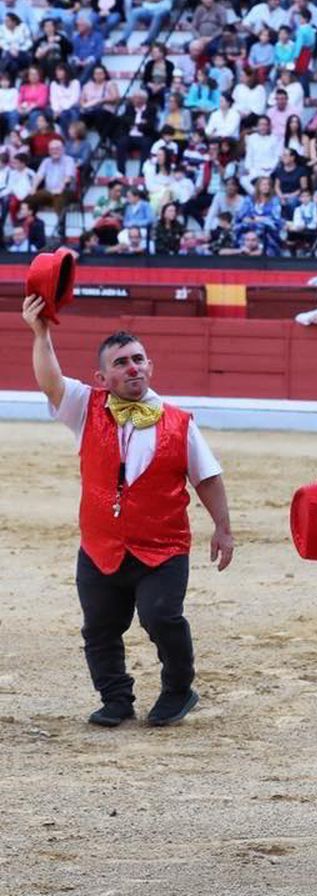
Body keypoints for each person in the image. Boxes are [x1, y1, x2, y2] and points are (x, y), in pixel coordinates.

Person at [21, 295, 234, 727]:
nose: (132, 367)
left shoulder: (179, 422)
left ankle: (178, 689)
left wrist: (223, 529)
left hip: (163, 546)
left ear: (150, 367)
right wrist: (41, 332)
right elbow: (50, 382)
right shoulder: (86, 407)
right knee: (100, 628)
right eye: (121, 362)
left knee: (161, 617)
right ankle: (116, 699)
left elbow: (207, 478)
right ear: (102, 377)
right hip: (100, 545)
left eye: (138, 359)